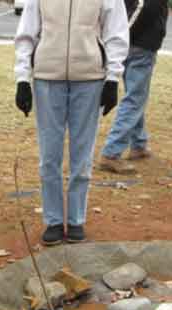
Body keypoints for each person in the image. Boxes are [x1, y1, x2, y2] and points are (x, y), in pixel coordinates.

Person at [14, 0, 129, 245]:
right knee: (49, 155)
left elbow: (116, 33)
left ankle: (76, 219)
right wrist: (23, 78)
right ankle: (53, 220)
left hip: (90, 80)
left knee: (82, 155)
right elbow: (26, 33)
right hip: (47, 78)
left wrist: (112, 78)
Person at [99, 0, 169, 174]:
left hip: (135, 43)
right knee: (134, 99)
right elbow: (144, 6)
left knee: (136, 95)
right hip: (138, 46)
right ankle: (111, 153)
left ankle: (139, 143)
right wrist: (124, 37)